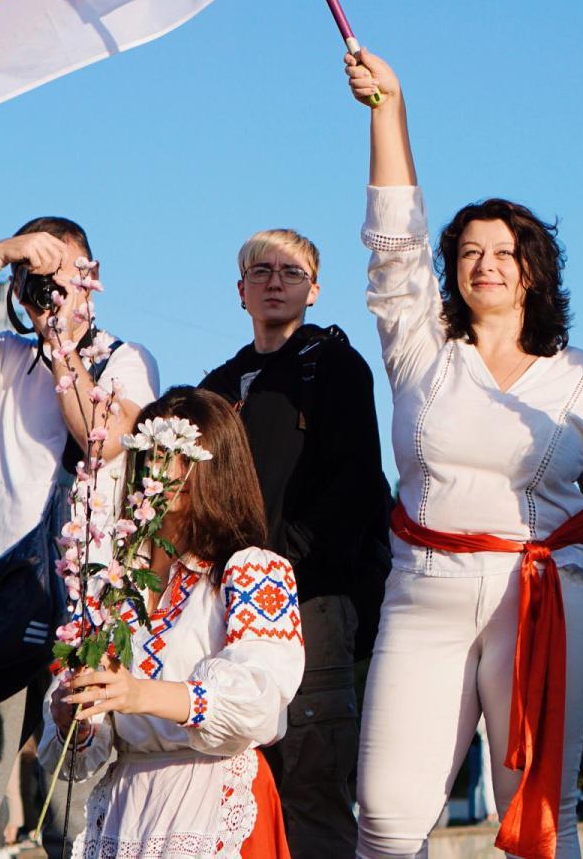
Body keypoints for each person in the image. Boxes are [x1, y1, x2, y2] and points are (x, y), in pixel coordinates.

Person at [345, 49, 583, 859]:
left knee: (539, 816)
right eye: (468, 252)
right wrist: (388, 109)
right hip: (422, 591)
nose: (485, 263)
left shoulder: (580, 376)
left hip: (547, 598)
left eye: (503, 251)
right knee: (386, 816)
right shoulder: (421, 348)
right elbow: (395, 245)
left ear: (533, 269)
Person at [0, 216, 159, 857]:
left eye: (66, 276)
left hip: (84, 612)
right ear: (21, 294)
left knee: (72, 816)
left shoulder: (125, 359)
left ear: (93, 279)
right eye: (37, 281)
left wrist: (62, 350)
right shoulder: (8, 356)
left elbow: (99, 441)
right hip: (2, 604)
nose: (53, 293)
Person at [40, 386, 306, 856]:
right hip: (129, 803)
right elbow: (82, 753)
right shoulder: (115, 583)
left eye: (180, 451)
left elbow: (260, 698)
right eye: (152, 450)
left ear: (215, 463)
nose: (163, 467)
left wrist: (138, 694)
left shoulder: (248, 569)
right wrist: (73, 721)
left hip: (213, 791)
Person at [202, 226, 391, 859]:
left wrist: (287, 559)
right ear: (241, 291)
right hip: (230, 607)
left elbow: (359, 480)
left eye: (291, 272)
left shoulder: (333, 366)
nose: (275, 281)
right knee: (241, 781)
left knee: (312, 782)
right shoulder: (220, 385)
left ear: (314, 289)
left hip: (311, 601)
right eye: (262, 272)